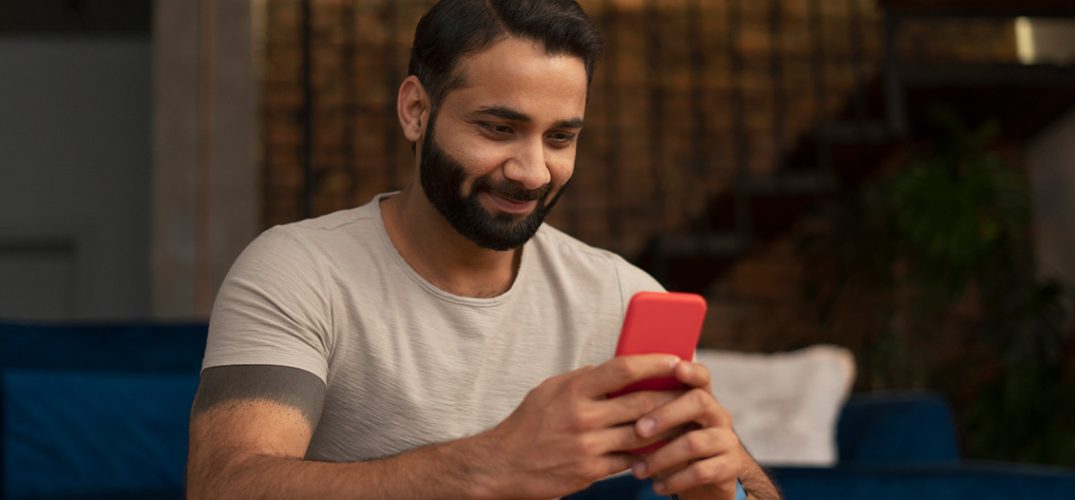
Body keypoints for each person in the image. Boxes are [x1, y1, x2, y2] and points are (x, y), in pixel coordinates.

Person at [186, 1, 780, 498]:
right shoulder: (298, 271)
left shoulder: (624, 297)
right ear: (416, 111)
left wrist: (717, 490)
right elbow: (224, 485)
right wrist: (486, 465)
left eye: (560, 138)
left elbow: (740, 482)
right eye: (498, 129)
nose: (532, 171)